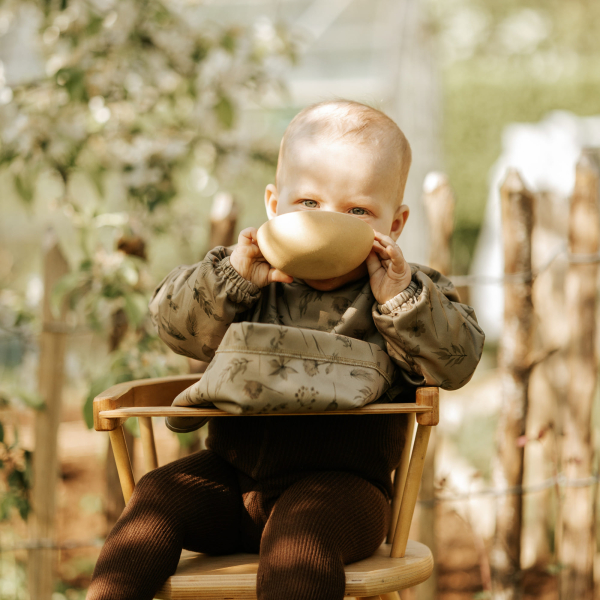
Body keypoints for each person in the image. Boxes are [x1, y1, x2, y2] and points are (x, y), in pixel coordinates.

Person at [87, 100, 485, 600]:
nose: (327, 221)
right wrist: (232, 276)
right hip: (232, 482)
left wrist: (401, 299)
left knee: (300, 540)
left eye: (357, 211)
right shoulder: (248, 280)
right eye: (309, 204)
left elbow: (460, 360)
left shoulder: (400, 291)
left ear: (396, 223)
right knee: (156, 497)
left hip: (344, 493)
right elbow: (174, 328)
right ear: (274, 205)